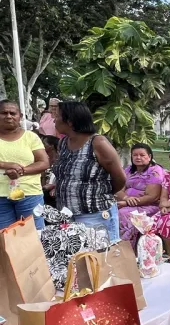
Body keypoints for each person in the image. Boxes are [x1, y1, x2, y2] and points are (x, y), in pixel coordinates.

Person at [52, 101, 126, 241]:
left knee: (101, 259)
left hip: (95, 215)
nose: (54, 119)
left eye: (58, 116)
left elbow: (120, 179)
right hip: (67, 215)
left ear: (70, 122)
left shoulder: (98, 143)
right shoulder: (63, 143)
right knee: (75, 260)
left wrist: (100, 194)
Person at [0, 100, 49, 230]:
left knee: (34, 236)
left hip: (29, 194)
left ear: (20, 116)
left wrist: (21, 171)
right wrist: (7, 164)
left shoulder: (31, 137)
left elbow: (44, 162)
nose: (8, 116)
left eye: (12, 113)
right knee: (4, 240)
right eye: (4, 113)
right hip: (0, 198)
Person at [117, 143, 164, 248]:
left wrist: (126, 203)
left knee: (124, 213)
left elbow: (152, 196)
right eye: (135, 155)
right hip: (127, 202)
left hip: (149, 205)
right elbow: (119, 190)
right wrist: (126, 198)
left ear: (149, 157)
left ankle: (127, 248)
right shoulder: (128, 170)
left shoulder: (155, 171)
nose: (138, 157)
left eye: (142, 155)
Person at [41, 135, 59, 207]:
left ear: (51, 146)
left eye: (44, 143)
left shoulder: (61, 160)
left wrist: (55, 187)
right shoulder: (44, 160)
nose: (41, 146)